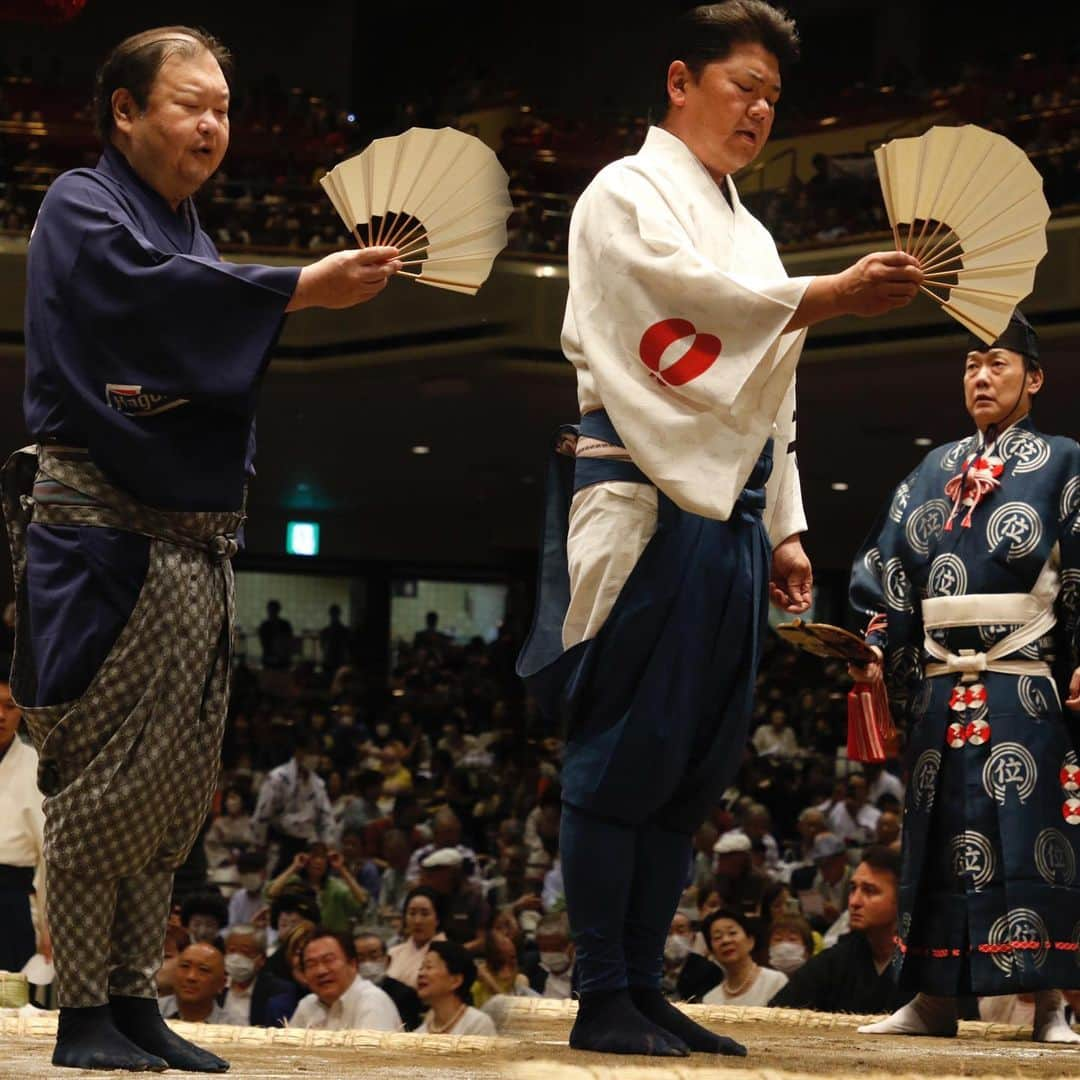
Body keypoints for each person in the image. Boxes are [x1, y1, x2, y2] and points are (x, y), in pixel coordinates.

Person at [514, 1, 921, 1059]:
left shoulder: (752, 229)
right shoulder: (623, 192)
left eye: (774, 101)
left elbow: (771, 392)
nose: (760, 113)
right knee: (619, 754)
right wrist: (825, 295)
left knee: (694, 764)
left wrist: (786, 526)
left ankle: (642, 984)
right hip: (640, 497)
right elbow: (676, 310)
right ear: (681, 79)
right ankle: (601, 991)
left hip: (732, 514)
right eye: (745, 88)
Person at [3, 26, 401, 1071]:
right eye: (191, 104)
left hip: (189, 542)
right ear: (125, 111)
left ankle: (133, 1001)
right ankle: (83, 1012)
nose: (213, 125)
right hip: (102, 539)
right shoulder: (83, 207)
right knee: (98, 777)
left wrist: (276, 289)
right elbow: (154, 303)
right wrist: (301, 287)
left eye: (223, 107)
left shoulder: (187, 226)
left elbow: (195, 318)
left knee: (169, 788)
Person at [849, 311, 1080, 1043]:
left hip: (1025, 683)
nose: (981, 377)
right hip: (942, 686)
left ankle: (1049, 1004)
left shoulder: (1065, 462)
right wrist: (878, 643)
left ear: (1033, 379)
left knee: (1032, 831)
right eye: (971, 365)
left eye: (999, 365)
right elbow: (887, 566)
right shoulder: (931, 470)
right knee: (938, 831)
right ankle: (934, 999)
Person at [770, 847, 911, 1014]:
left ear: (903, 900)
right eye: (853, 889)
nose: (854, 901)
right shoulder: (835, 961)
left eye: (870, 891)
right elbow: (775, 1013)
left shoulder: (927, 965)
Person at [0, 677, 49, 976]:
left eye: (10, 706)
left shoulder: (35, 766)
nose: (1, 715)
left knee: (6, 1007)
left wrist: (49, 925)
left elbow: (48, 854)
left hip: (9, 902)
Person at [253, 730, 335, 874]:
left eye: (317, 753)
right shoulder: (278, 778)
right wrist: (260, 845)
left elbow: (326, 817)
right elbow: (262, 813)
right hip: (280, 845)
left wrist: (327, 845)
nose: (315, 757)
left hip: (308, 846)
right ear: (298, 752)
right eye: (311, 752)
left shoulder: (318, 783)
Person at [290, 928, 402, 1031]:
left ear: (352, 964)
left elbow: (369, 1052)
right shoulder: (307, 1005)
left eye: (328, 960)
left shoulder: (373, 1000)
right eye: (311, 964)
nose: (321, 971)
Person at [701, 910, 787, 1006]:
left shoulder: (775, 982)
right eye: (717, 937)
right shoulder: (710, 1000)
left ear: (750, 941)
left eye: (732, 933)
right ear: (712, 952)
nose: (725, 940)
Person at [220, 924, 297, 1028]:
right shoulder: (215, 986)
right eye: (232, 951)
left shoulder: (278, 991)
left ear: (261, 959)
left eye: (245, 952)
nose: (237, 958)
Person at [416, 940, 497, 1036]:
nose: (421, 974)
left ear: (455, 981)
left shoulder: (477, 1024)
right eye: (421, 968)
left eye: (429, 967)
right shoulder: (420, 1033)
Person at [354, 930, 422, 1029]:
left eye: (374, 956)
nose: (367, 963)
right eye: (360, 959)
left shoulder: (405, 994)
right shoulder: (344, 993)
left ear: (388, 960)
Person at [386, 887, 448, 989]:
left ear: (438, 919)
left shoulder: (448, 955)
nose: (417, 921)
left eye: (425, 914)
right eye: (412, 913)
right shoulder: (393, 953)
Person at [158, 943, 227, 1025]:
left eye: (203, 970)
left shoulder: (234, 1027)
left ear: (221, 984)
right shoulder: (148, 1011)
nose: (191, 977)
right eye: (185, 966)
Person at [258, 600, 294, 671]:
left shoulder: (265, 625)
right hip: (276, 658)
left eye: (273, 610)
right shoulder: (284, 624)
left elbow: (289, 641)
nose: (272, 612)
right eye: (271, 610)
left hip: (279, 658)